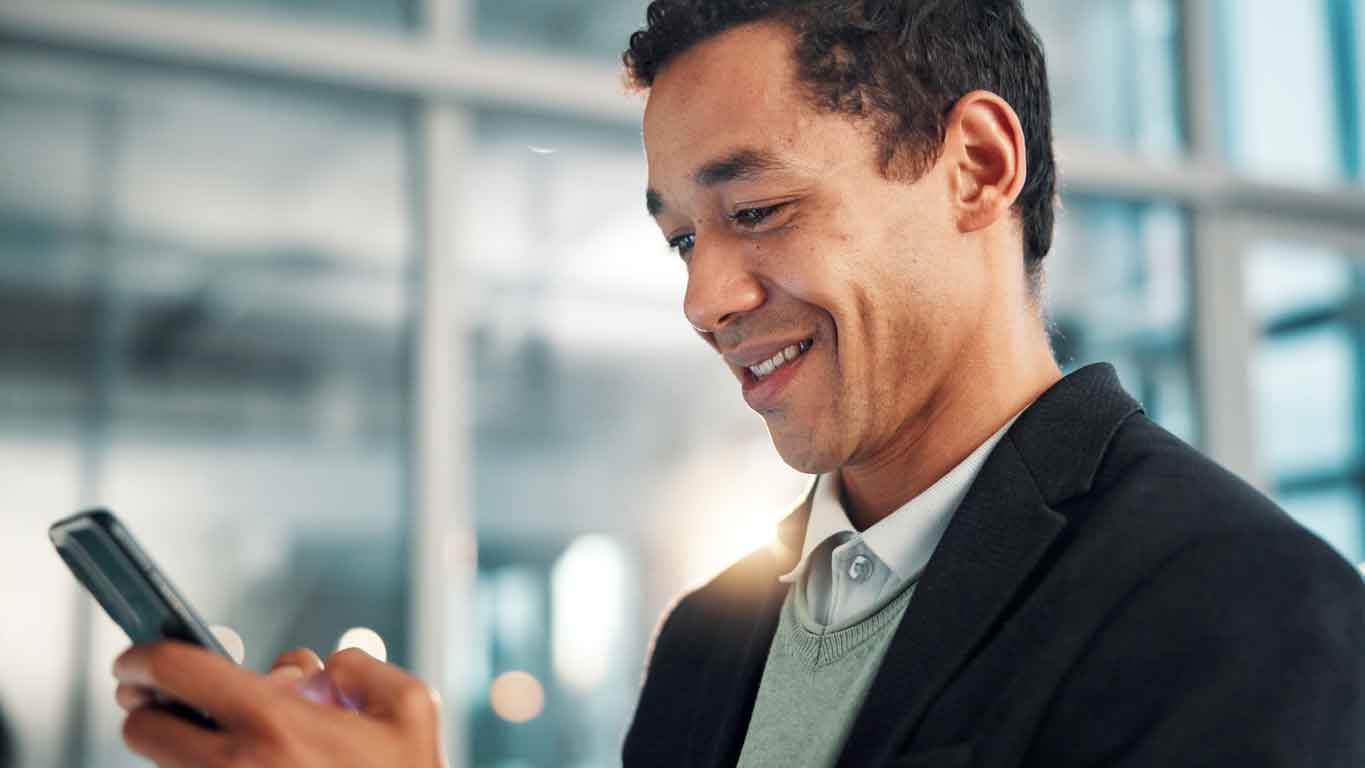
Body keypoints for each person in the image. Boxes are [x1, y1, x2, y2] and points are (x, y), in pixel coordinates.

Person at [111, 1, 1364, 766]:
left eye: (755, 208)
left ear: (977, 166)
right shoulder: (712, 638)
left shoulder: (1250, 615)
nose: (703, 300)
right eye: (680, 238)